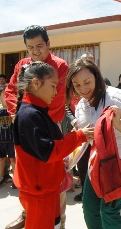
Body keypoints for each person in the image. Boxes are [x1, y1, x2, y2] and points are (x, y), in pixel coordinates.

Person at [13, 62, 94, 229]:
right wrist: (79, 136)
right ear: (36, 83)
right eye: (52, 86)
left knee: (54, 224)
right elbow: (49, 151)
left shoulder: (36, 110)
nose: (56, 91)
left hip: (47, 189)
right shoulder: (30, 115)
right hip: (39, 193)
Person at [5, 25, 70, 229]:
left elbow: (56, 99)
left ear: (49, 44)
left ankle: (59, 220)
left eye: (39, 46)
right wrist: (17, 114)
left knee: (55, 178)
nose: (35, 51)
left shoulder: (59, 66)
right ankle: (27, 212)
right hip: (26, 124)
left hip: (50, 125)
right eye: (30, 47)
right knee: (27, 177)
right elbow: (10, 90)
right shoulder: (22, 65)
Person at [66, 58, 121, 229]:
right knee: (89, 207)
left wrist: (117, 123)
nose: (83, 89)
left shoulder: (116, 97)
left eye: (87, 82)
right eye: (77, 85)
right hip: (99, 161)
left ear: (97, 77)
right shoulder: (81, 105)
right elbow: (83, 134)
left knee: (109, 210)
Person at [72, 52, 111, 202]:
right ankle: (85, 191)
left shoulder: (104, 82)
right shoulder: (77, 86)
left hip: (100, 139)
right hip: (83, 137)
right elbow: (69, 105)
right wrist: (74, 122)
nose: (83, 87)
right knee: (83, 168)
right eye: (84, 60)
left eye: (89, 61)